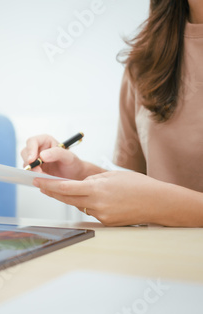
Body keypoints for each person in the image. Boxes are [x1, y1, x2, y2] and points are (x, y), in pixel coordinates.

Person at [21, 0, 203, 227]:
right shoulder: (147, 60)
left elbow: (150, 199)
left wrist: (155, 206)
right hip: (157, 255)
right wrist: (80, 173)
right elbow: (142, 187)